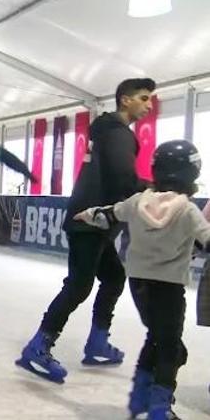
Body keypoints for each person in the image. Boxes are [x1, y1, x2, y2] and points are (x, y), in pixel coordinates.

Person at [16, 78, 156, 384]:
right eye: (144, 98)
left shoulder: (107, 131)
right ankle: (38, 346)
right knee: (79, 285)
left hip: (95, 222)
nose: (149, 105)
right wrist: (156, 188)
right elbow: (124, 180)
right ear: (125, 100)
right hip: (90, 221)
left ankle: (97, 342)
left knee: (113, 276)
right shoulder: (118, 135)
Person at [74, 140, 203, 420]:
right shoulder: (188, 210)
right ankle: (159, 407)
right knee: (171, 347)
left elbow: (108, 214)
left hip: (139, 285)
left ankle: (139, 397)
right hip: (169, 289)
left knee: (155, 338)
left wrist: (87, 214)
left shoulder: (138, 201)